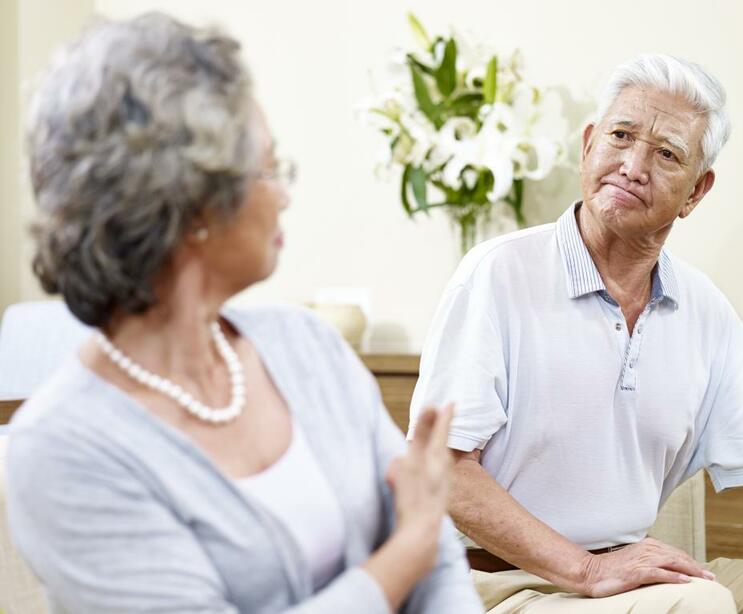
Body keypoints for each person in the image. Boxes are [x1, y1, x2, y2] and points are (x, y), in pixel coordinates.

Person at [5, 13, 482, 614]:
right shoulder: (62, 450)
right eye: (270, 168)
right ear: (193, 202)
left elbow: (437, 551)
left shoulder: (309, 346)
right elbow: (420, 539)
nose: (284, 193)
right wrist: (400, 557)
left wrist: (420, 544)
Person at [409, 54, 743, 613]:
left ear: (697, 192)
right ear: (588, 145)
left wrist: (610, 570)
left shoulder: (707, 312)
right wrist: (586, 568)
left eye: (666, 154)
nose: (633, 165)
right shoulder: (499, 273)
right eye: (621, 136)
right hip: (499, 583)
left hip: (631, 578)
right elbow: (443, 467)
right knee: (698, 606)